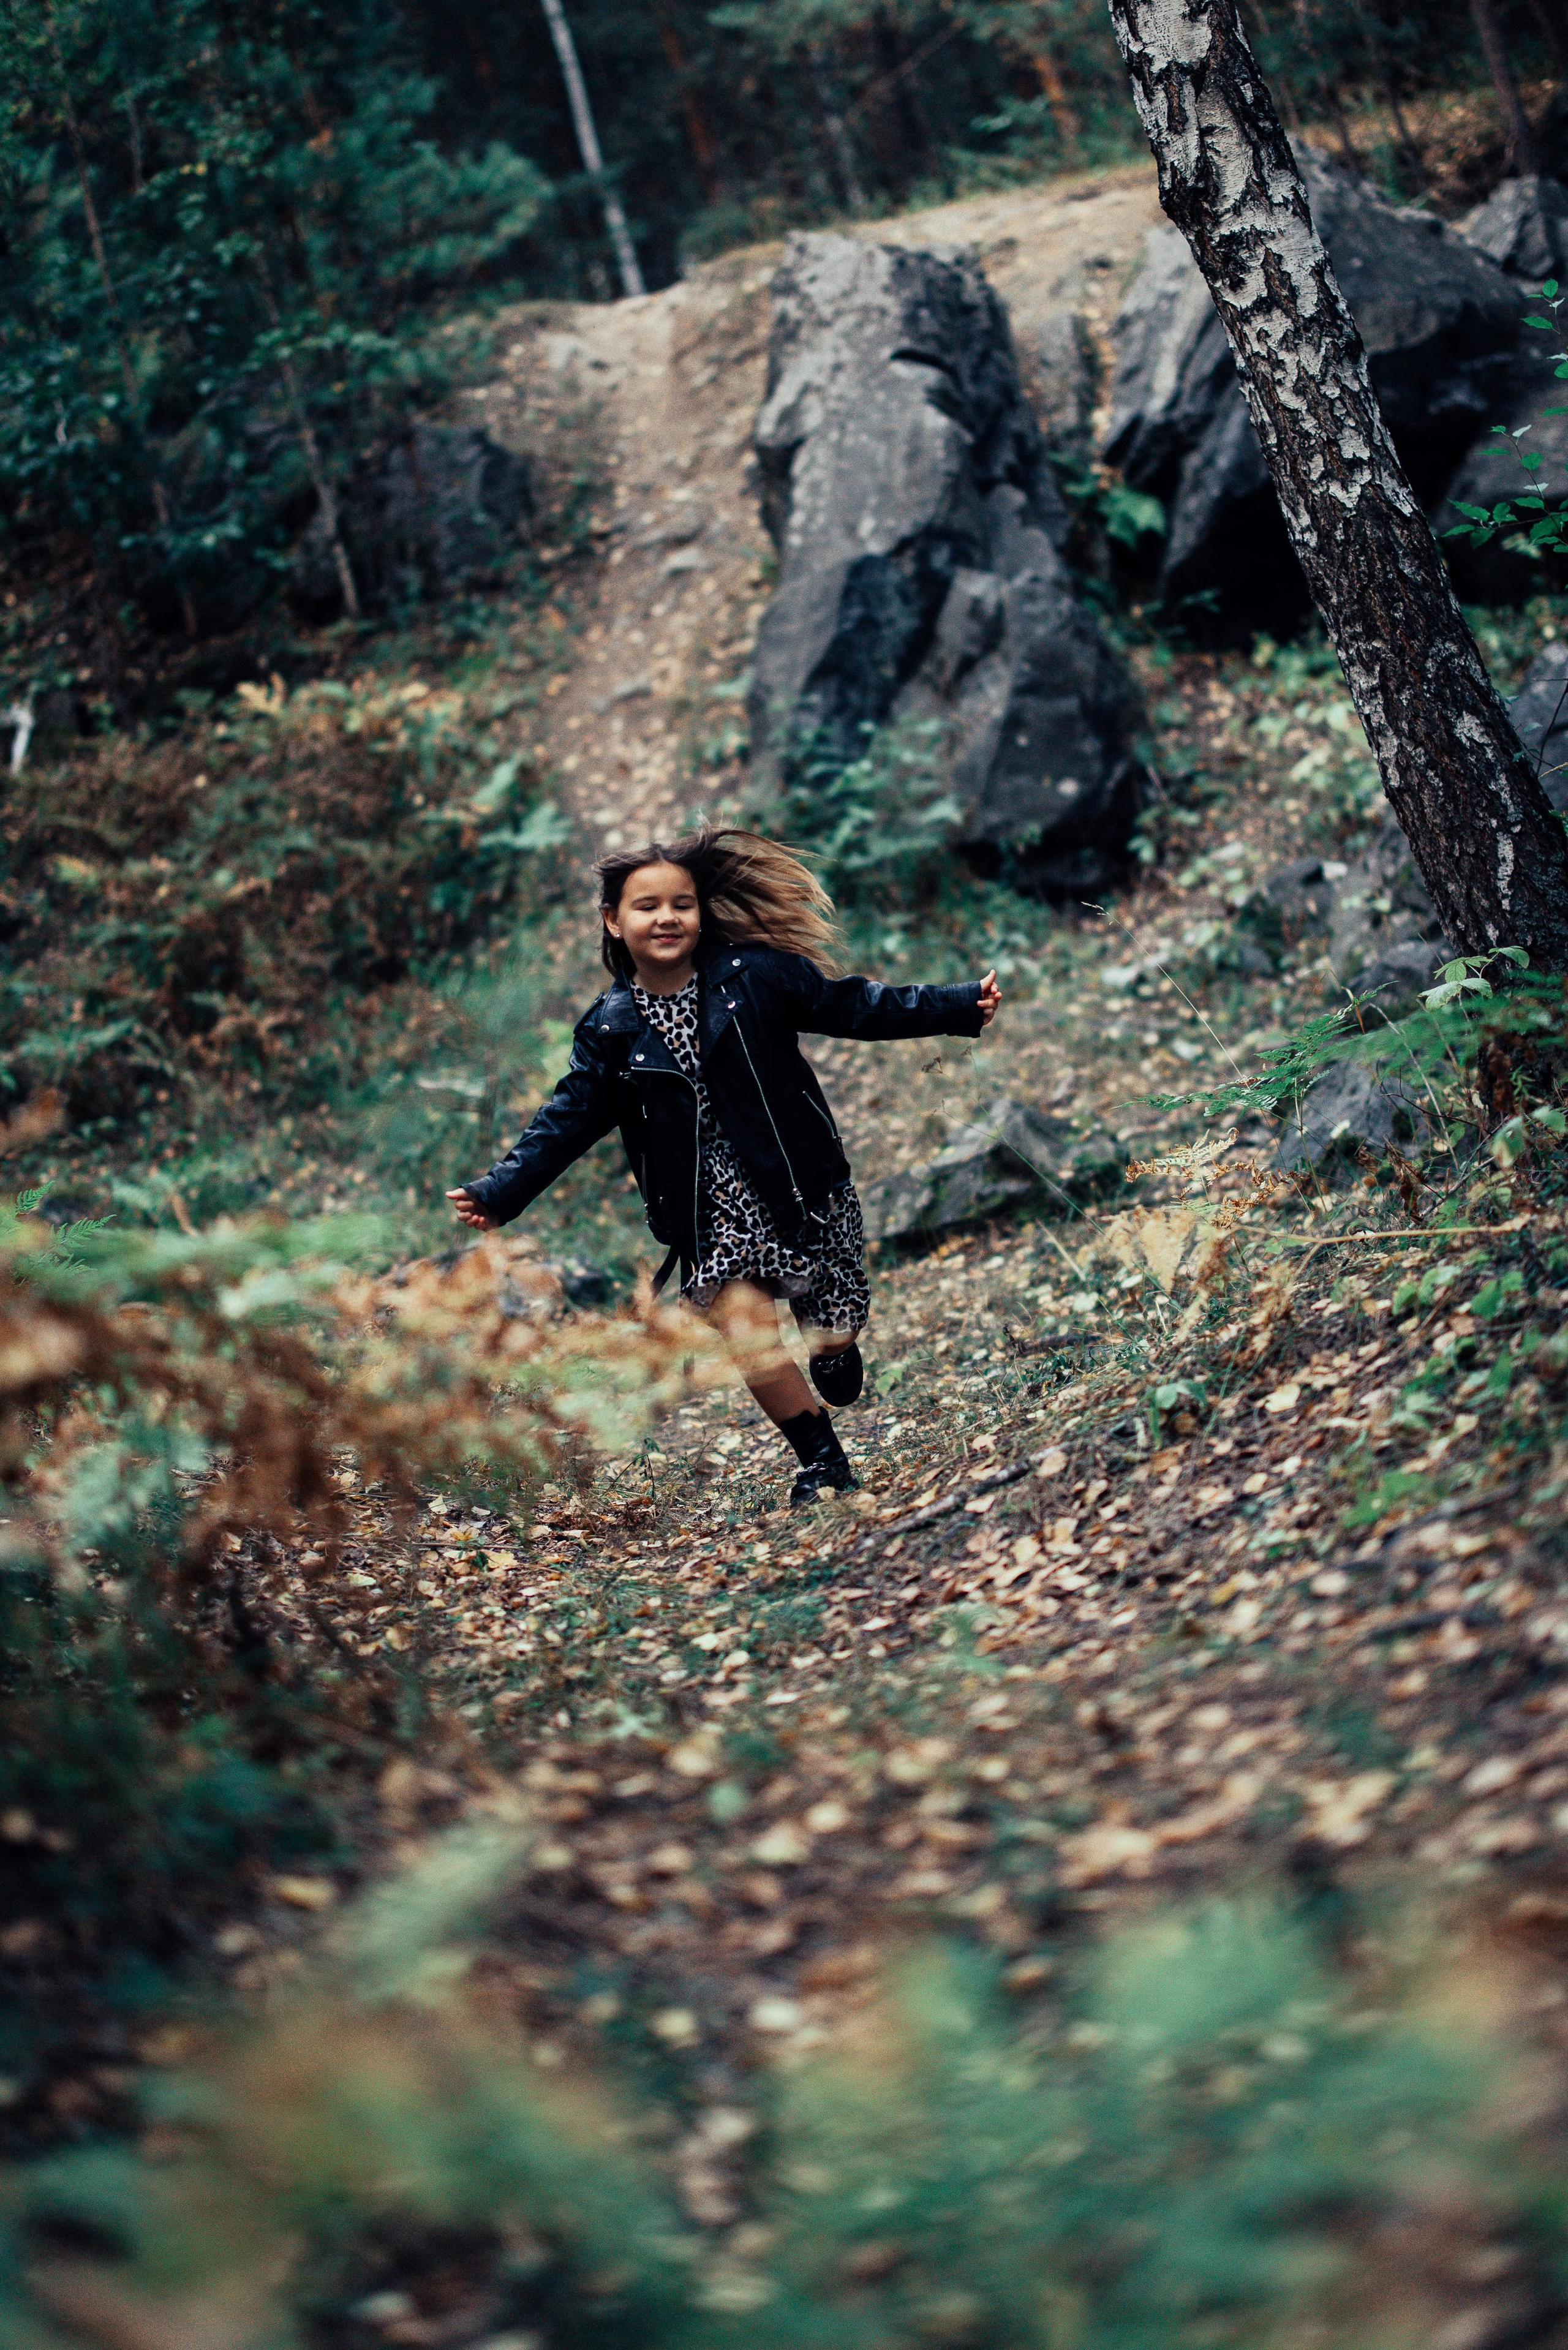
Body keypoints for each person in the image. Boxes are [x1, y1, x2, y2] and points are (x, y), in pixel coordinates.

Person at [448, 828, 1001, 1507]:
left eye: (681, 903)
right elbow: (569, 1117)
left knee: (831, 1329)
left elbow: (855, 1005)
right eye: (646, 906)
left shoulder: (755, 977)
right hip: (711, 1214)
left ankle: (832, 1348)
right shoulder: (612, 1028)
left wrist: (956, 1005)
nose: (666, 917)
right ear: (613, 921)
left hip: (802, 1187)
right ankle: (823, 1463)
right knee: (747, 1334)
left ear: (701, 913)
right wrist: (502, 1191)